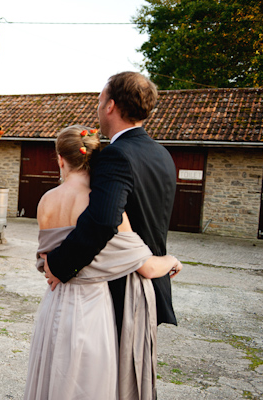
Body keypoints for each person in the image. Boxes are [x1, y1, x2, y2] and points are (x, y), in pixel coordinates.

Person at [24, 125, 182, 400]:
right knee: (87, 383)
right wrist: (171, 260)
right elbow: (145, 266)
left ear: (61, 159)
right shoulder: (102, 206)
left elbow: (45, 259)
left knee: (52, 376)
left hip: (54, 301)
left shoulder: (45, 201)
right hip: (92, 308)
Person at [45, 72, 177, 338]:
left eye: (99, 100)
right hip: (153, 286)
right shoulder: (162, 154)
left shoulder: (116, 156)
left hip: (122, 290)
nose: (97, 108)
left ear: (110, 106)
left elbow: (103, 220)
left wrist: (59, 266)